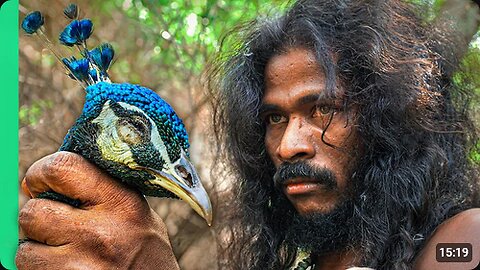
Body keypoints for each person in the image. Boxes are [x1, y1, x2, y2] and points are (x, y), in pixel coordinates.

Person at [16, 0, 480, 269]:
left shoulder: (463, 243)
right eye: (274, 118)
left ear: (387, 122)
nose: (288, 144)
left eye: (323, 109)